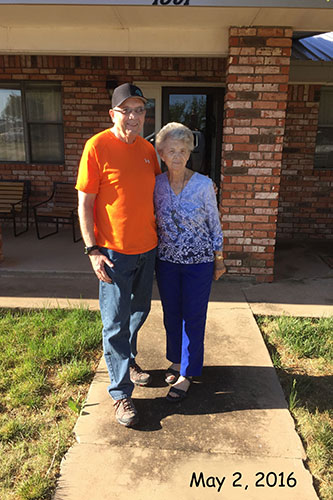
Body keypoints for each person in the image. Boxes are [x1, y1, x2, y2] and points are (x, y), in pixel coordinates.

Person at [76, 83, 160, 427]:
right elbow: (85, 202)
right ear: (113, 114)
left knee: (140, 309)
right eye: (127, 110)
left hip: (147, 248)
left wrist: (201, 184)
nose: (135, 117)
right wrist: (92, 249)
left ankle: (130, 359)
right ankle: (121, 393)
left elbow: (162, 189)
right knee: (114, 322)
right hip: (112, 252)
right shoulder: (97, 146)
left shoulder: (147, 150)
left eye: (140, 110)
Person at [154, 122, 225, 402]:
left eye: (183, 150)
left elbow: (214, 224)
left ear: (189, 153)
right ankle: (175, 360)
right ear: (161, 153)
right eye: (171, 150)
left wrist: (219, 260)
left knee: (193, 317)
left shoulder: (204, 185)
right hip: (167, 261)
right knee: (172, 313)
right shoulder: (156, 184)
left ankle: (188, 371)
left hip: (199, 262)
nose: (177, 156)